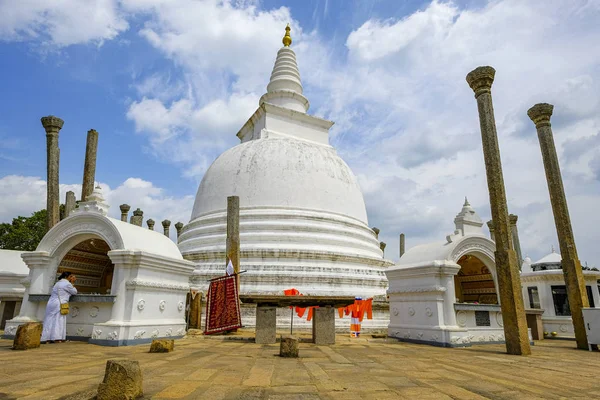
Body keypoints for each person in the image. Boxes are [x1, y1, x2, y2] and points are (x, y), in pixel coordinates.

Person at [41, 272, 77, 343]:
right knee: (59, 320)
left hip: (51, 303)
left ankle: (46, 337)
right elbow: (74, 292)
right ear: (68, 277)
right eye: (71, 276)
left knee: (49, 320)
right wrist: (72, 283)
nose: (72, 278)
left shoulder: (57, 283)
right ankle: (56, 337)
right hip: (59, 304)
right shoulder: (67, 284)